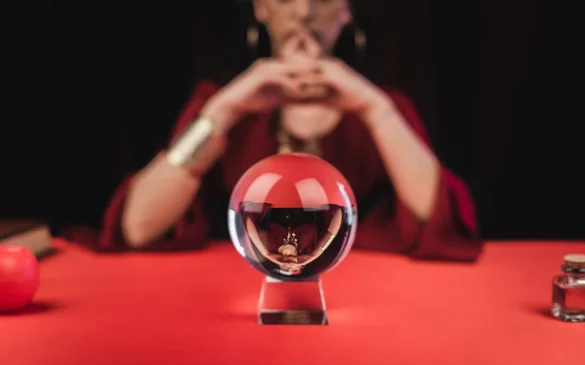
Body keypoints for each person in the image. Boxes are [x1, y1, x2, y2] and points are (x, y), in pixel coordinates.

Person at [69, 0, 483, 261]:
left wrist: (374, 107)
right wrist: (224, 110)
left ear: (346, 11)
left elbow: (440, 221)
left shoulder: (383, 107)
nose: (303, 14)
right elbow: (138, 226)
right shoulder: (220, 105)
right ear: (260, 8)